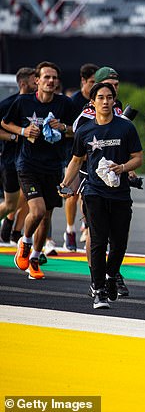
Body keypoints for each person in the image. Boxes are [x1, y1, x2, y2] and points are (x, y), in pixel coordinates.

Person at [59, 82, 142, 309]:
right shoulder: (84, 130)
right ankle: (98, 289)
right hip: (94, 192)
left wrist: (123, 168)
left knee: (119, 243)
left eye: (109, 98)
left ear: (114, 101)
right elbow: (76, 160)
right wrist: (65, 183)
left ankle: (111, 274)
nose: (105, 101)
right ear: (92, 102)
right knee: (97, 240)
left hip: (120, 193)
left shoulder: (125, 128)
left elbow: (138, 157)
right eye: (101, 98)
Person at [1, 61, 75, 280]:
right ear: (37, 80)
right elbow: (5, 123)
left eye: (54, 78)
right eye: (46, 77)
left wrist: (63, 128)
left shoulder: (65, 104)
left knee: (46, 217)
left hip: (53, 165)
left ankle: (34, 259)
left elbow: (78, 130)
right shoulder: (23, 102)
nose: (50, 81)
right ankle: (24, 242)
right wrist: (23, 131)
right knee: (38, 210)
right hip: (27, 165)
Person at [64, 63, 99, 252]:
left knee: (87, 196)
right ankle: (70, 231)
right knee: (73, 192)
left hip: (93, 156)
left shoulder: (101, 101)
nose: (95, 86)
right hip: (74, 154)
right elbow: (67, 128)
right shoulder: (74, 102)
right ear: (83, 81)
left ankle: (86, 226)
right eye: (92, 82)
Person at [0, 68, 36, 244]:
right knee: (10, 204)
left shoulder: (36, 103)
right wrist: (16, 135)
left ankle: (17, 231)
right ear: (23, 83)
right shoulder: (9, 104)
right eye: (33, 80)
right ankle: (8, 221)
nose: (37, 82)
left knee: (34, 198)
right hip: (10, 160)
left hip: (30, 161)